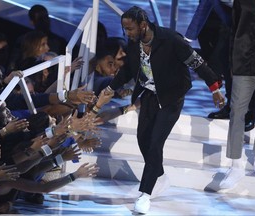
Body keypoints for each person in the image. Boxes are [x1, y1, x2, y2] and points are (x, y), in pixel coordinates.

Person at [96, 6, 225, 214]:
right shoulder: (134, 44)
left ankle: (145, 195)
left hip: (171, 97)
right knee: (143, 139)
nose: (127, 33)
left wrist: (215, 89)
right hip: (148, 95)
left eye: (130, 29)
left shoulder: (170, 39)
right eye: (125, 29)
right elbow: (129, 69)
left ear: (143, 25)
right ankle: (161, 177)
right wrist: (110, 88)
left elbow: (197, 63)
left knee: (156, 142)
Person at [185, 0, 255, 132]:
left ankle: (250, 114)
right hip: (231, 23)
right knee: (226, 62)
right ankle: (231, 106)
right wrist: (188, 38)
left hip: (253, 23)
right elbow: (204, 6)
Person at [218, 0, 255, 189]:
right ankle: (235, 166)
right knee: (236, 113)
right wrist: (232, 62)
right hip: (242, 63)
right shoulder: (239, 2)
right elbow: (234, 30)